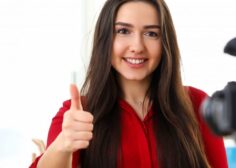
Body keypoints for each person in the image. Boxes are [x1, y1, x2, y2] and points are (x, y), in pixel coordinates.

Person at [29, 0, 228, 168]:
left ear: (165, 42)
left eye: (151, 34)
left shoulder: (199, 104)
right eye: (123, 31)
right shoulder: (76, 115)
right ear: (106, 39)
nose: (137, 47)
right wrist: (63, 144)